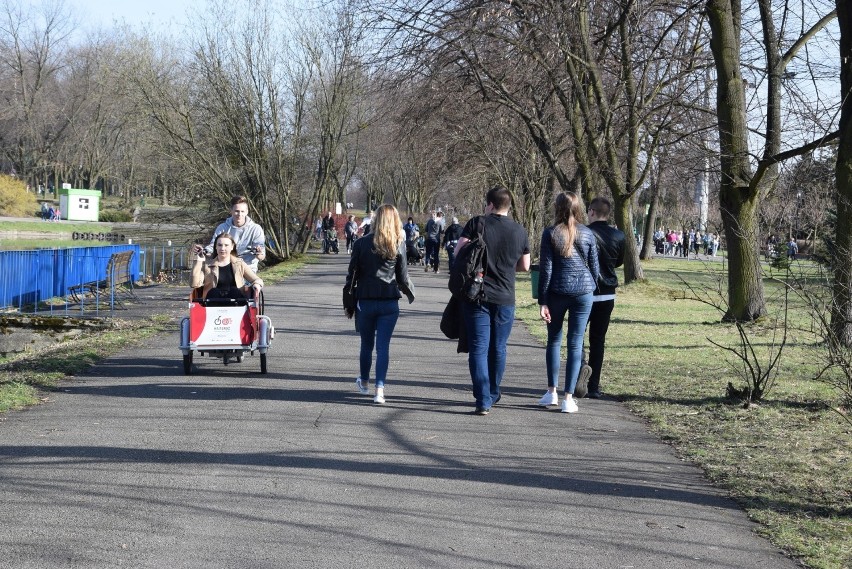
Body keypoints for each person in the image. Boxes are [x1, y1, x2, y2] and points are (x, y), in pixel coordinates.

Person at [454, 186, 530, 415]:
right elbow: (525, 266)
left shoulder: (477, 223)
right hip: (506, 297)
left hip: (477, 295)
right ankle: (494, 392)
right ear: (509, 206)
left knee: (479, 347)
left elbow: (458, 253)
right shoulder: (520, 231)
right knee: (498, 347)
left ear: (490, 204)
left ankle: (483, 399)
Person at [345, 204, 415, 405]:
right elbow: (402, 276)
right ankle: (380, 391)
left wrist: (349, 299)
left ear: (375, 219)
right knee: (383, 347)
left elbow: (352, 274)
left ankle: (365, 383)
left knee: (366, 345)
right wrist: (409, 290)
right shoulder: (398, 243)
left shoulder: (361, 243)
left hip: (366, 300)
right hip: (389, 302)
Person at [537, 191, 599, 413]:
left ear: (557, 208)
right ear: (578, 208)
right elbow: (595, 268)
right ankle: (568, 398)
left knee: (554, 341)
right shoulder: (588, 233)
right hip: (584, 293)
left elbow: (546, 270)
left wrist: (542, 300)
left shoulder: (550, 233)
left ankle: (551, 392)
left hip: (557, 292)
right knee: (575, 344)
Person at [582, 197, 625, 399]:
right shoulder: (618, 235)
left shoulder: (583, 233)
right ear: (607, 214)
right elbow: (618, 261)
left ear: (591, 212)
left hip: (585, 292)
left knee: (577, 339)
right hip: (607, 293)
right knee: (598, 341)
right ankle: (594, 386)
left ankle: (577, 376)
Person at [199, 196, 266, 272]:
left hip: (247, 268)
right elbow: (213, 246)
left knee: (256, 283)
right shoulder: (222, 228)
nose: (239, 214)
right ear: (231, 211)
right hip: (226, 267)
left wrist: (259, 254)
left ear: (247, 212)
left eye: (242, 211)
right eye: (237, 211)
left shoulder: (256, 229)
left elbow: (261, 255)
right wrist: (204, 251)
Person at [191, 233, 264, 300]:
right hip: (212, 303)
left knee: (234, 290)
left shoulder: (239, 263)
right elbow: (195, 284)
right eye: (219, 245)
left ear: (232, 247)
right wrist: (199, 260)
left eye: (226, 245)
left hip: (236, 303)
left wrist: (257, 285)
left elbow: (256, 280)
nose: (222, 248)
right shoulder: (207, 265)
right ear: (216, 247)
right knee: (214, 291)